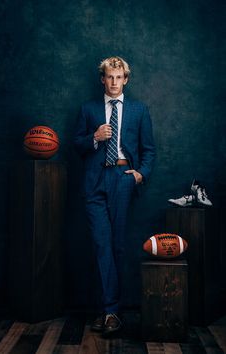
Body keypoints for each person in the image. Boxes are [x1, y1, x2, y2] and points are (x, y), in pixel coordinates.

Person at [74, 56, 155, 336]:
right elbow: (77, 143)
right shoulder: (88, 109)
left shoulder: (139, 110)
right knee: (100, 244)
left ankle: (111, 311)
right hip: (95, 181)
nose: (113, 82)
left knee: (117, 245)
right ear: (102, 79)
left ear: (126, 80)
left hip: (122, 179)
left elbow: (149, 149)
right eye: (109, 77)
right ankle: (109, 311)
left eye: (119, 77)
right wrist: (94, 137)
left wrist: (139, 174)